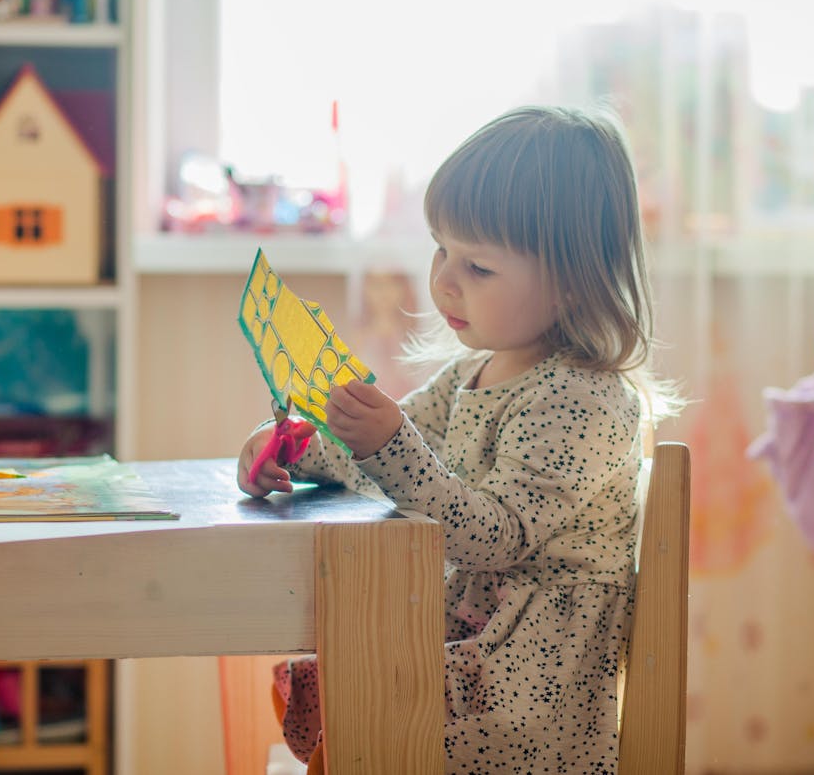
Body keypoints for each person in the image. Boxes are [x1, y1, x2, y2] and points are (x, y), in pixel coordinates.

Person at [237, 105, 679, 774]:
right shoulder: (470, 371)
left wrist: (386, 444)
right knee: (351, 678)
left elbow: (493, 535)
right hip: (473, 645)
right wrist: (302, 450)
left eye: (478, 266)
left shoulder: (585, 398)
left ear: (569, 282)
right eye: (442, 247)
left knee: (365, 699)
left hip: (527, 690)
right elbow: (391, 460)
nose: (444, 277)